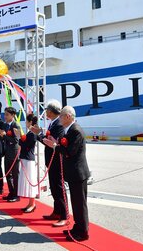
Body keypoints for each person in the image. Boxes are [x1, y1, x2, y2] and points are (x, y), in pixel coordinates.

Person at [43, 106, 90, 242]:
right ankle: (77, 227)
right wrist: (55, 142)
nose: (60, 119)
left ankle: (83, 232)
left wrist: (54, 146)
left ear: (68, 116)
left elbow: (69, 151)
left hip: (78, 173)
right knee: (76, 203)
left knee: (80, 204)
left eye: (62, 116)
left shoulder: (75, 131)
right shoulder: (68, 130)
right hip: (73, 172)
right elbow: (64, 147)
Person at [31, 99, 67, 227]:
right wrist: (40, 134)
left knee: (58, 188)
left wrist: (39, 134)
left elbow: (52, 142)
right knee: (54, 187)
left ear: (51, 111)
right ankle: (57, 211)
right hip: (51, 160)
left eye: (47, 110)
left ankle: (64, 215)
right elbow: (48, 141)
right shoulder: (53, 123)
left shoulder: (59, 125)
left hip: (56, 160)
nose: (46, 112)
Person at [15, 113, 38, 213]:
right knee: (27, 181)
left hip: (29, 159)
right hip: (26, 159)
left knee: (30, 181)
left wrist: (19, 136)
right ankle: (30, 203)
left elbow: (27, 146)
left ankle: (32, 203)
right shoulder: (30, 132)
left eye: (27, 121)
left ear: (31, 122)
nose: (26, 123)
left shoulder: (32, 133)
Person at [0, 107, 20, 202]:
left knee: (15, 174)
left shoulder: (16, 125)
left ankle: (16, 194)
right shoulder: (6, 125)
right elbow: (5, 139)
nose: (5, 116)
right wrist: (1, 135)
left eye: (7, 114)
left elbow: (15, 140)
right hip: (7, 152)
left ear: (13, 115)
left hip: (14, 153)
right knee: (8, 173)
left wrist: (4, 136)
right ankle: (11, 192)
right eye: (5, 114)